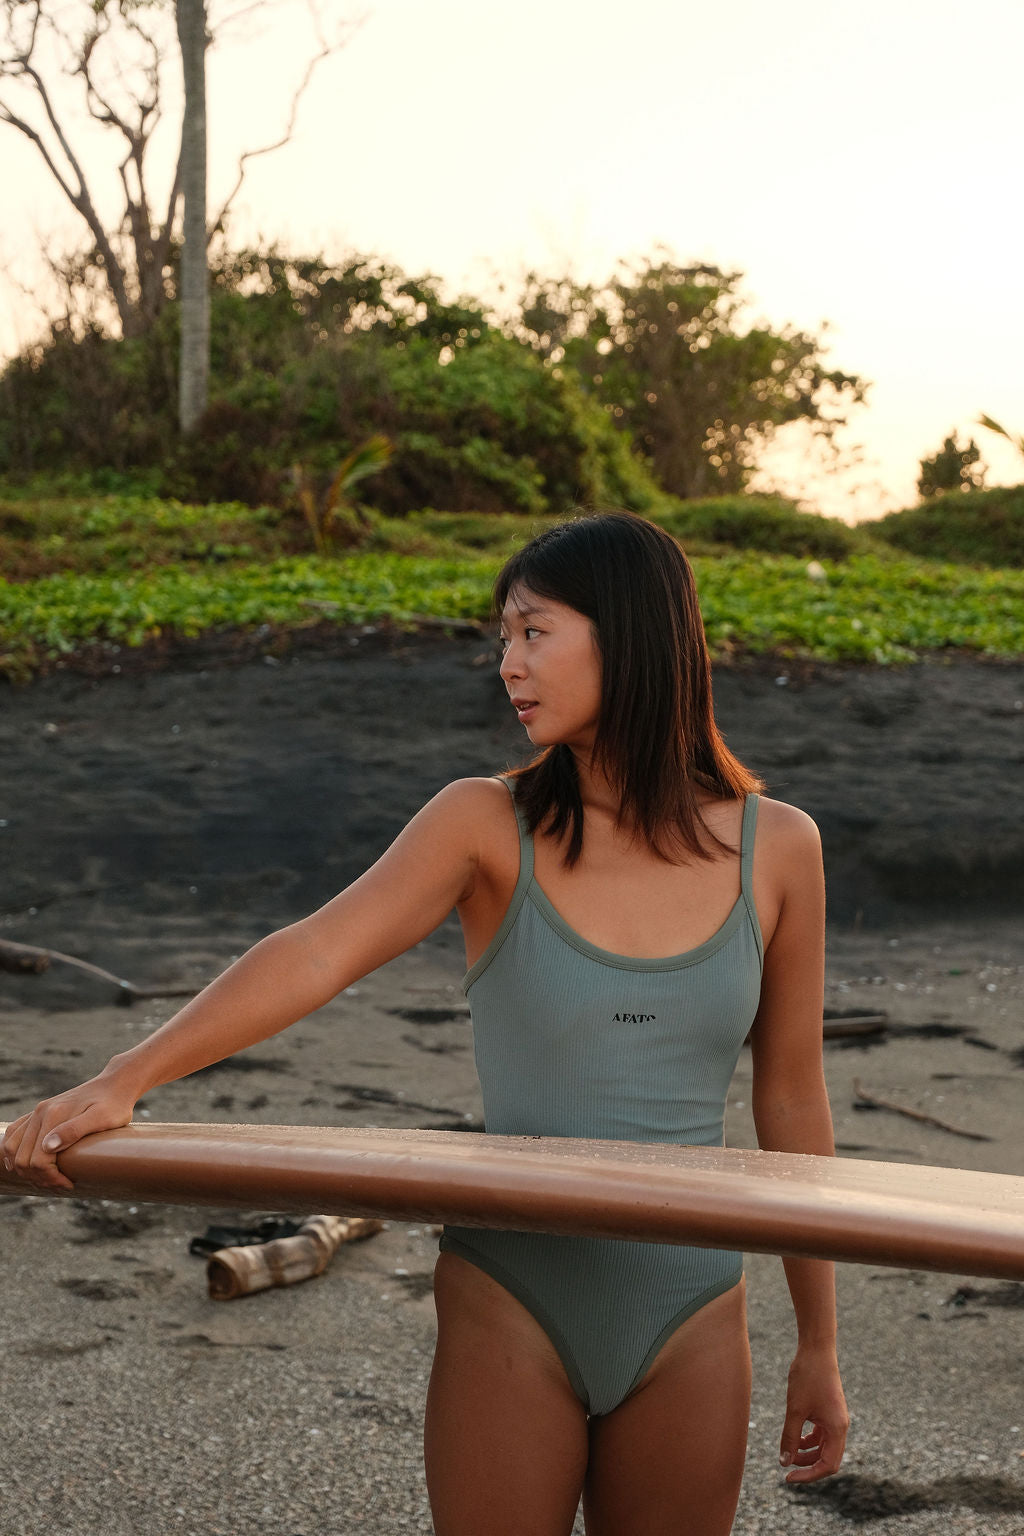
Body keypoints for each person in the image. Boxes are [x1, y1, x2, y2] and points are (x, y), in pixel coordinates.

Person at [2, 511, 848, 1536]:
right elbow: (316, 951)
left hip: (693, 1311)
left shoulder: (779, 848)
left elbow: (792, 1097)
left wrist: (819, 1341)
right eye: (503, 638)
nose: (508, 664)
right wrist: (125, 1078)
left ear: (627, 634)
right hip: (514, 1297)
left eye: (534, 632)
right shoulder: (484, 825)